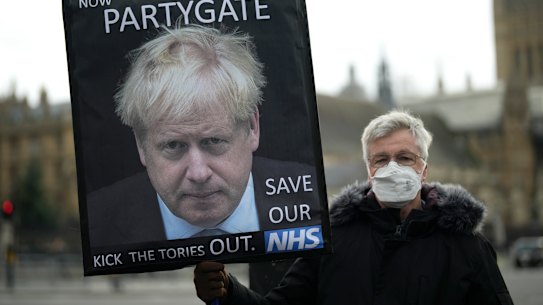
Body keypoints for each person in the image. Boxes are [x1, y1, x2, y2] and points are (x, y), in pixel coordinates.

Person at [194, 110, 514, 305]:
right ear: (368, 170)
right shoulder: (332, 242)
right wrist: (228, 290)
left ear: (424, 169)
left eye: (404, 158)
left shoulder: (467, 247)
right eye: (381, 159)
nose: (393, 167)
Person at [87, 25, 319, 247]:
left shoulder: (315, 200)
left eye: (214, 141)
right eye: (174, 145)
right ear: (141, 145)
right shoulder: (98, 223)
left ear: (252, 127)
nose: (198, 174)